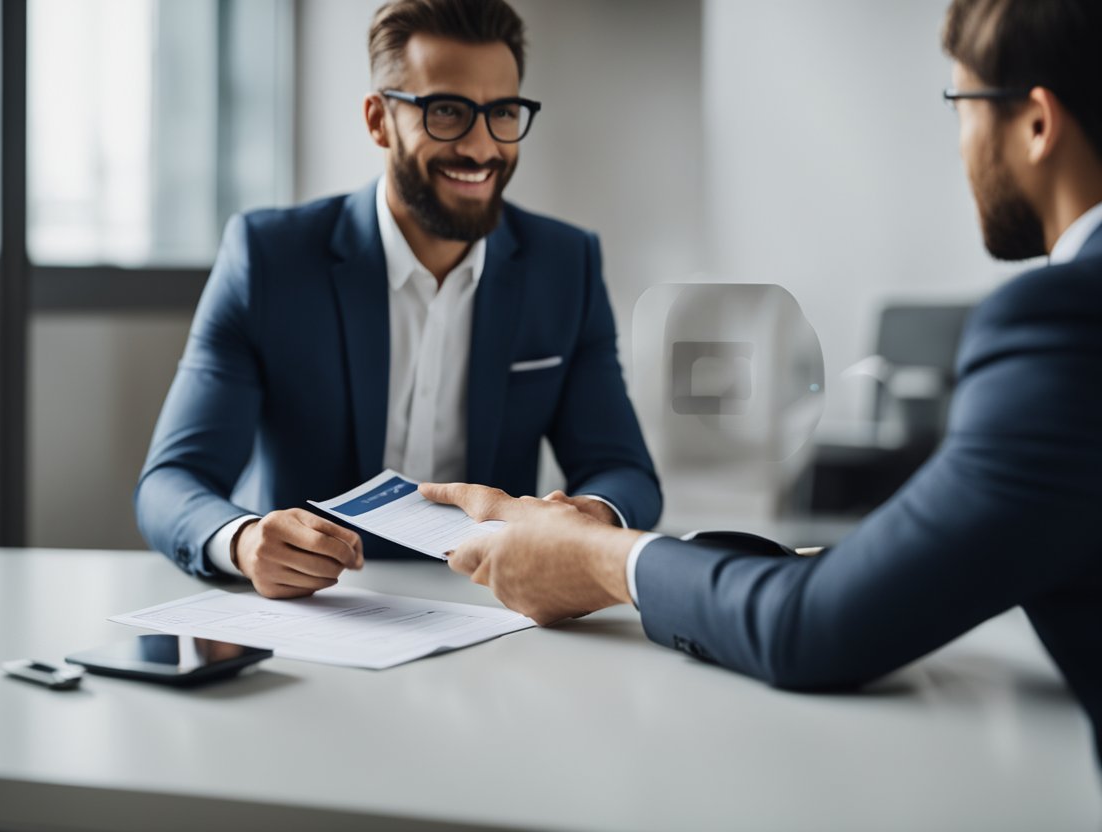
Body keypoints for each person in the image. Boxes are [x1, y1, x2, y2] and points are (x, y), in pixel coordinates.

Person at [422, 0, 1102, 757]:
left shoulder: (1066, 323)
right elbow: (926, 563)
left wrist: (594, 560)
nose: (961, 142)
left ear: (1037, 123)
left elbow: (814, 629)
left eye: (961, 104)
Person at [134, 0, 661, 598]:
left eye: (503, 113)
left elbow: (624, 471)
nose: (482, 147)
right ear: (379, 120)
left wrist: (589, 521)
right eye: (447, 112)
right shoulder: (269, 259)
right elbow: (171, 481)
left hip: (492, 611)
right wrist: (243, 539)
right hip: (316, 612)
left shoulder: (566, 267)